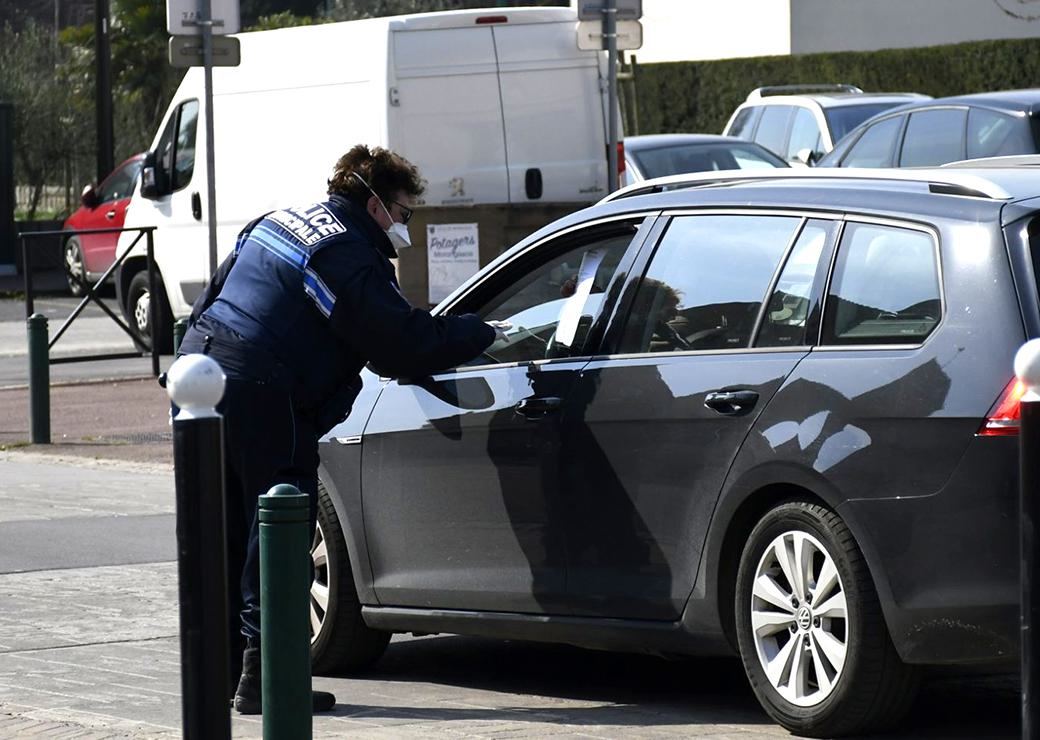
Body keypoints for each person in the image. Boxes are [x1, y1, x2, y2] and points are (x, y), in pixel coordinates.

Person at [177, 144, 498, 715]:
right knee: (277, 524)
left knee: (223, 530)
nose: (404, 226)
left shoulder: (281, 220)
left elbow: (213, 296)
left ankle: (221, 673)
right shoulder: (348, 254)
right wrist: (480, 332)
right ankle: (268, 680)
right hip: (263, 389)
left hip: (200, 373)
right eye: (404, 213)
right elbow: (400, 346)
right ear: (375, 203)